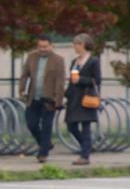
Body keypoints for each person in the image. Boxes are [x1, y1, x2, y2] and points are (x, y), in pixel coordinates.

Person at [18, 35, 66, 163]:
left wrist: (58, 101)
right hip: (33, 96)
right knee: (31, 123)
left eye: (45, 46)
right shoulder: (32, 57)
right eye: (40, 46)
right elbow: (24, 75)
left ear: (51, 46)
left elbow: (60, 81)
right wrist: (22, 89)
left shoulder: (58, 60)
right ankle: (46, 144)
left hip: (49, 98)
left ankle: (43, 153)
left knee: (46, 125)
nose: (42, 49)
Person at [64, 33, 102, 165]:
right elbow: (72, 80)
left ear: (84, 45)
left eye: (77, 44)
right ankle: (87, 146)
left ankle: (85, 156)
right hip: (74, 97)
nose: (75, 46)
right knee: (71, 126)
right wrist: (66, 93)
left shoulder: (93, 61)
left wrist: (81, 80)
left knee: (86, 126)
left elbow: (97, 80)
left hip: (86, 97)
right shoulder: (74, 62)